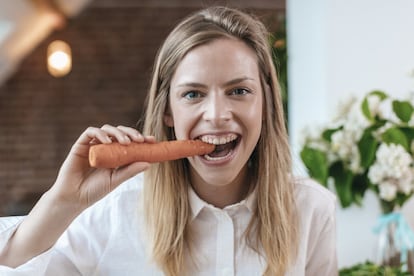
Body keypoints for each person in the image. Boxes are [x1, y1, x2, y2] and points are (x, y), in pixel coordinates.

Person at [0, 6, 337, 276]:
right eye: (193, 94)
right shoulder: (111, 212)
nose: (217, 114)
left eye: (239, 91)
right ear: (168, 113)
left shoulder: (311, 210)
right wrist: (63, 202)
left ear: (265, 104)